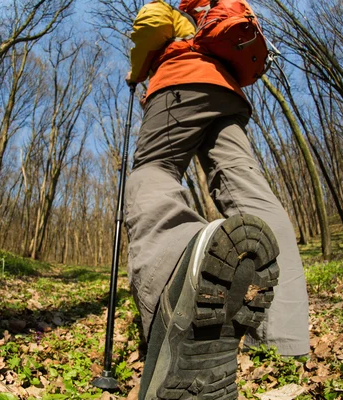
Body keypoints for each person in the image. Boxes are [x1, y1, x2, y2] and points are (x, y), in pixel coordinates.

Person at [123, 1, 310, 399]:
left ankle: (176, 288)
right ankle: (287, 336)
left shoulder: (181, 13)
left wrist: (136, 71)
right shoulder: (214, 18)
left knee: (152, 171)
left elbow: (151, 22)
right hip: (228, 94)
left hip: (179, 86)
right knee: (247, 187)